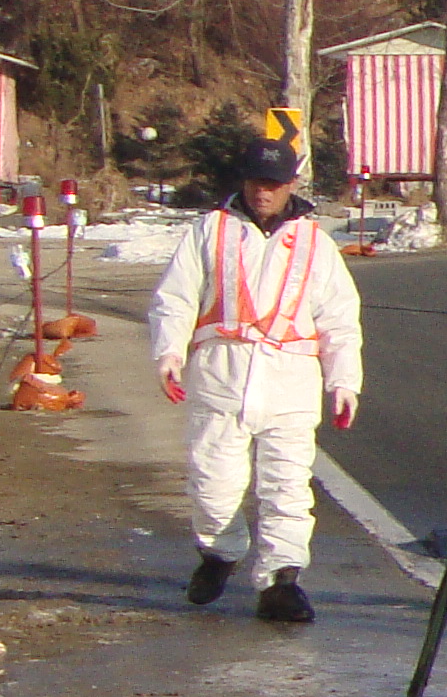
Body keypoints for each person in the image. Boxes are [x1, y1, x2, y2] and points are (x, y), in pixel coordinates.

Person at [148, 137, 361, 627]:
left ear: (289, 185)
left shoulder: (314, 243)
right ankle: (220, 554)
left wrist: (343, 382)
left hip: (290, 383)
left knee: (287, 487)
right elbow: (175, 298)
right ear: (243, 182)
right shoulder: (211, 232)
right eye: (255, 182)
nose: (262, 193)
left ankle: (281, 582)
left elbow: (340, 319)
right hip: (221, 377)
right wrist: (168, 353)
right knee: (213, 482)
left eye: (272, 184)